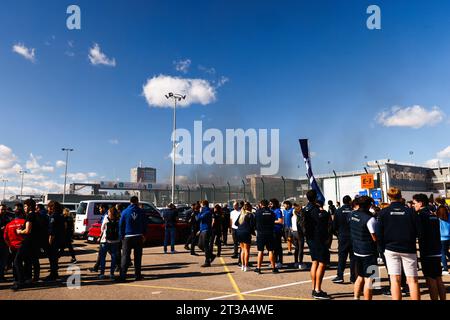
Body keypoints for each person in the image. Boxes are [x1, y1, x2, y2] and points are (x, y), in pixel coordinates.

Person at [376, 187, 420, 300]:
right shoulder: (410, 211)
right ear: (400, 196)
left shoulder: (383, 212)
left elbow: (378, 234)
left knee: (395, 280)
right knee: (412, 280)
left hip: (390, 249)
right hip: (408, 248)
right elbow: (418, 230)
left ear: (389, 197)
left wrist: (381, 249)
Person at [414, 193, 446, 300]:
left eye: (415, 203)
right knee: (438, 278)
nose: (414, 206)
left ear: (420, 203)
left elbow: (419, 233)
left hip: (427, 251)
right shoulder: (433, 214)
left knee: (431, 279)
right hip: (437, 249)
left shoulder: (420, 216)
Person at [302, 190, 331, 300]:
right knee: (322, 263)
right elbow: (324, 222)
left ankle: (314, 287)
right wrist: (323, 211)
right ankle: (317, 290)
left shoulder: (306, 208)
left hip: (310, 239)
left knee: (315, 262)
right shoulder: (316, 210)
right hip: (318, 239)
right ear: (315, 197)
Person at [349, 196, 378, 300]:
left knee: (360, 276)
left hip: (357, 250)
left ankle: (356, 297)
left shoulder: (352, 214)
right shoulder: (370, 218)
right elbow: (374, 237)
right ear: (369, 205)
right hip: (369, 252)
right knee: (370, 280)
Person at [117, 196, 147, 282]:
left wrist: (121, 236)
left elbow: (121, 225)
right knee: (138, 257)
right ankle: (137, 275)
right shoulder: (141, 212)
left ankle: (123, 276)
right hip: (138, 236)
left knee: (125, 257)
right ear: (137, 202)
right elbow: (145, 224)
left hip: (127, 237)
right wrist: (144, 234)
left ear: (130, 202)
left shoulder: (125, 212)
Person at [14, 198, 41, 288]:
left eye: (25, 206)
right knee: (29, 261)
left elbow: (28, 230)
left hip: (28, 241)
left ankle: (21, 281)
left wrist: (19, 231)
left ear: (29, 206)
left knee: (17, 261)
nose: (24, 208)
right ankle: (28, 279)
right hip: (34, 242)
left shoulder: (30, 215)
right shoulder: (37, 214)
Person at [332, 195, 356, 284]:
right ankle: (353, 277)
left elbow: (334, 227)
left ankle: (340, 276)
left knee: (342, 257)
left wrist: (338, 235)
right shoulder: (353, 211)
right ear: (350, 201)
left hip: (342, 237)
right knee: (353, 258)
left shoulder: (338, 211)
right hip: (353, 237)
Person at [254, 200, 277, 274]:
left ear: (261, 204)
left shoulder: (258, 212)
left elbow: (255, 222)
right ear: (267, 205)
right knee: (270, 251)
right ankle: (273, 268)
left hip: (261, 234)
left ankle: (258, 268)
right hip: (270, 233)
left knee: (260, 251)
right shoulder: (272, 212)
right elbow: (273, 222)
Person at [3, 210, 26, 288]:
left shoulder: (9, 224)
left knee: (15, 263)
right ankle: (22, 279)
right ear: (22, 215)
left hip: (13, 246)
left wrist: (9, 245)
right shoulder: (25, 222)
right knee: (23, 263)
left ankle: (16, 279)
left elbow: (5, 237)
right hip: (23, 245)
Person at [98, 206, 120, 280]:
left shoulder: (106, 219)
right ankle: (112, 274)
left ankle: (102, 274)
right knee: (113, 258)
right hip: (115, 241)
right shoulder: (118, 220)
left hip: (105, 240)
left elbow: (102, 228)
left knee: (103, 257)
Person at [46, 200, 65, 282]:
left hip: (54, 240)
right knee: (55, 258)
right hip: (60, 239)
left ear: (52, 207)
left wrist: (49, 241)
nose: (47, 209)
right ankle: (55, 273)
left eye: (49, 207)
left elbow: (52, 231)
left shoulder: (53, 217)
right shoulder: (61, 216)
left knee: (52, 258)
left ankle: (53, 274)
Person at [235, 202, 255, 272]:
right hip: (246, 232)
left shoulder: (241, 214)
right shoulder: (250, 214)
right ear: (249, 207)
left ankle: (243, 265)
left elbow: (236, 223)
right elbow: (252, 225)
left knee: (242, 249)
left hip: (239, 232)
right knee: (247, 250)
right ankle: (246, 266)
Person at [197, 200, 215, 267]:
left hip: (206, 230)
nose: (200, 206)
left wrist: (200, 212)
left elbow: (199, 218)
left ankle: (207, 261)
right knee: (200, 245)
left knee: (205, 246)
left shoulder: (207, 211)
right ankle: (211, 255)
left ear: (204, 205)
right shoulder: (204, 211)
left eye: (201, 204)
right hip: (202, 230)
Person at [291, 204, 307, 270]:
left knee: (296, 248)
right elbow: (302, 226)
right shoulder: (299, 217)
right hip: (299, 233)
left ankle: (296, 262)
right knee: (301, 248)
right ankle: (300, 263)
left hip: (293, 232)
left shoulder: (292, 217)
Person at [437, 199, 450, 275]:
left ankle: (445, 268)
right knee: (446, 251)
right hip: (449, 237)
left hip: (442, 238)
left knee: (443, 253)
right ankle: (445, 268)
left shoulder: (438, 219)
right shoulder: (449, 217)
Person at [270, 199, 284, 269]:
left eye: (271, 204)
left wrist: (271, 221)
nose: (270, 205)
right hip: (272, 231)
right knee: (273, 247)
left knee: (278, 247)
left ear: (274, 204)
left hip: (277, 231)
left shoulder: (278, 211)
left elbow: (280, 221)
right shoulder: (271, 210)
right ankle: (274, 262)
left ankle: (280, 262)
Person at [0, 204, 12, 282]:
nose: (3, 211)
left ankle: (2, 276)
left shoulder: (7, 218)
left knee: (3, 260)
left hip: (5, 242)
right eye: (2, 209)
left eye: (5, 209)